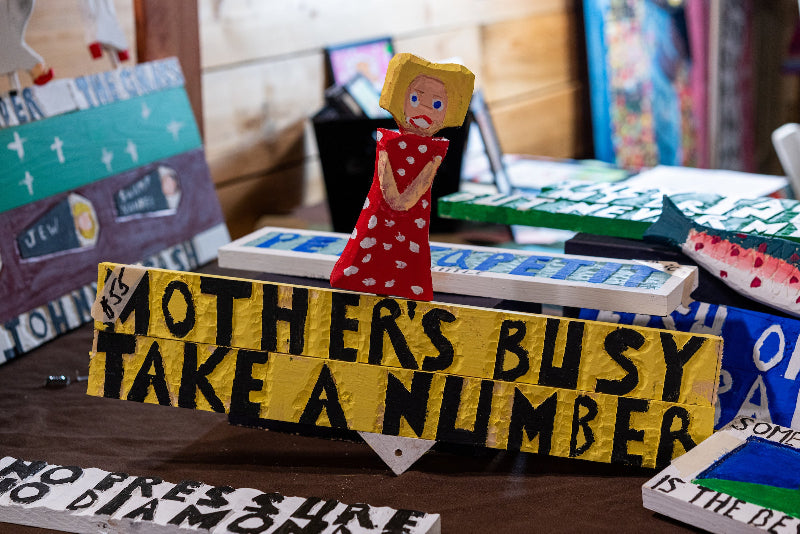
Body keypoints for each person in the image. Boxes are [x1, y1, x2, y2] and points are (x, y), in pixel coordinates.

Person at [329, 53, 474, 301]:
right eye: (416, 98)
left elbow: (417, 188)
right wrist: (397, 201)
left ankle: (406, 283)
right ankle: (364, 277)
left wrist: (401, 201)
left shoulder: (434, 150)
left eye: (437, 104)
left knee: (408, 251)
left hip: (412, 219)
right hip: (382, 214)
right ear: (400, 98)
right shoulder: (388, 141)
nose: (425, 110)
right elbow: (386, 181)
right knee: (371, 244)